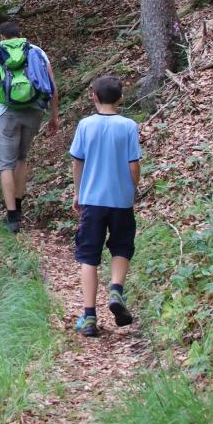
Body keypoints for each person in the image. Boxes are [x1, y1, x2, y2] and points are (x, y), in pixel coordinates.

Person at [69, 73, 140, 338]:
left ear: (94, 98)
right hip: (121, 200)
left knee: (89, 256)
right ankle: (116, 290)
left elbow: (78, 162)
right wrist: (132, 189)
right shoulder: (129, 126)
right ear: (120, 98)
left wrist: (78, 192)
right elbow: (134, 164)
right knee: (122, 246)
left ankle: (89, 316)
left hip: (92, 200)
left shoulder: (85, 125)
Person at [0, 19, 59, 234]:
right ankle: (19, 206)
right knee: (21, 159)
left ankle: (12, 217)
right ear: (20, 34)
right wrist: (54, 116)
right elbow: (51, 85)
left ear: (1, 37)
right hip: (34, 111)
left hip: (8, 113)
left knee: (6, 164)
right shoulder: (36, 51)